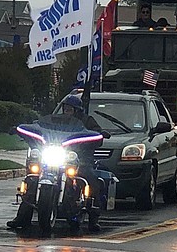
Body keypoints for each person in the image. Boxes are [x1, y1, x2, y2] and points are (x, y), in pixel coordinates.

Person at [7, 94, 104, 233]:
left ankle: (94, 218)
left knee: (89, 177)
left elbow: (97, 135)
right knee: (33, 179)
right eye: (65, 108)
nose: (66, 111)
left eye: (70, 109)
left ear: (77, 110)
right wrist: (19, 129)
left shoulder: (87, 121)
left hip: (79, 159)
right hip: (55, 155)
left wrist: (99, 134)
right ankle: (22, 217)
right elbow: (39, 126)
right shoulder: (54, 119)